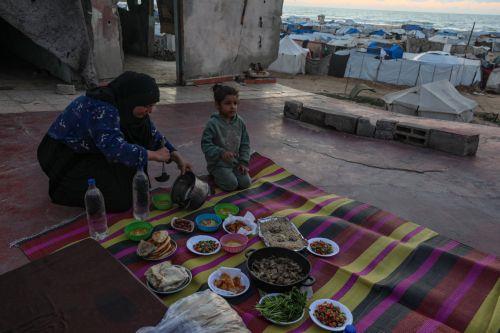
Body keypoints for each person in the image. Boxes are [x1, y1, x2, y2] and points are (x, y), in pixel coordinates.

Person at [37, 71, 192, 212]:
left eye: (152, 105)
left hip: (95, 150)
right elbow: (114, 149)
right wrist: (153, 155)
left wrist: (176, 155)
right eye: (147, 105)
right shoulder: (102, 108)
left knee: (132, 181)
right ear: (132, 100)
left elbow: (152, 134)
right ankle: (64, 187)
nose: (150, 110)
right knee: (121, 200)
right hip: (66, 158)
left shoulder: (125, 104)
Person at [201, 84, 251, 191]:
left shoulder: (240, 122)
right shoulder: (212, 124)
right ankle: (214, 174)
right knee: (231, 185)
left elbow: (245, 144)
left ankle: (230, 174)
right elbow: (205, 145)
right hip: (219, 164)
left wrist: (243, 162)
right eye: (228, 103)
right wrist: (221, 152)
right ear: (218, 105)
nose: (232, 106)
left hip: (235, 163)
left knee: (246, 183)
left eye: (235, 103)